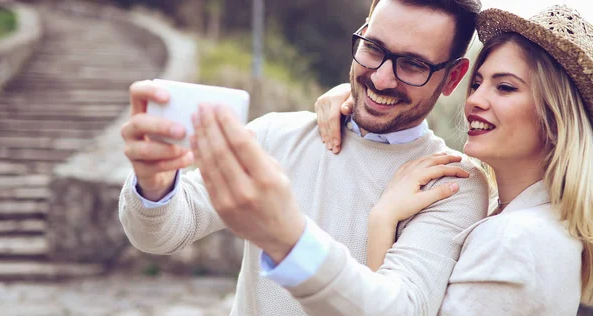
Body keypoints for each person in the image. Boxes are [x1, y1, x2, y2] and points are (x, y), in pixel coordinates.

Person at [118, 0, 490, 315]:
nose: (380, 78)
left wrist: (286, 238)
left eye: (412, 65)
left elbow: (402, 307)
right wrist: (155, 184)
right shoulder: (275, 135)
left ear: (453, 78)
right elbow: (162, 236)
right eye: (373, 48)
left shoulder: (452, 183)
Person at [317, 5, 593, 314]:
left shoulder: (513, 240)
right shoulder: (523, 220)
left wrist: (383, 222)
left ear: (555, 117)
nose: (474, 99)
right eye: (477, 83)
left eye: (504, 87)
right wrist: (359, 101)